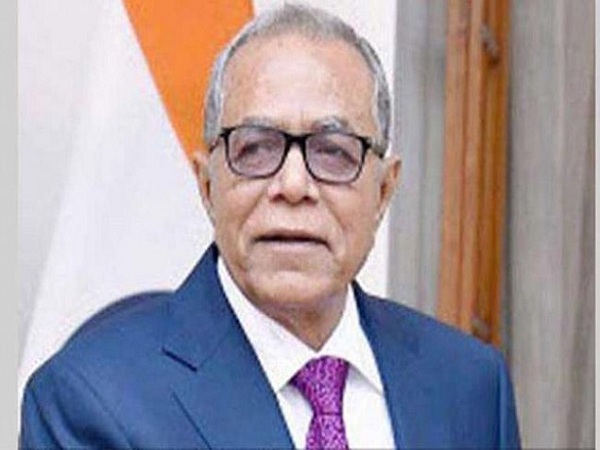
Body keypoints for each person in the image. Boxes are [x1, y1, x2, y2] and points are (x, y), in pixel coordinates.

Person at [20, 4, 520, 449]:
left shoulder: (469, 386)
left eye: (333, 151)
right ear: (207, 185)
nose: (294, 185)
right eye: (256, 148)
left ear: (384, 190)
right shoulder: (90, 399)